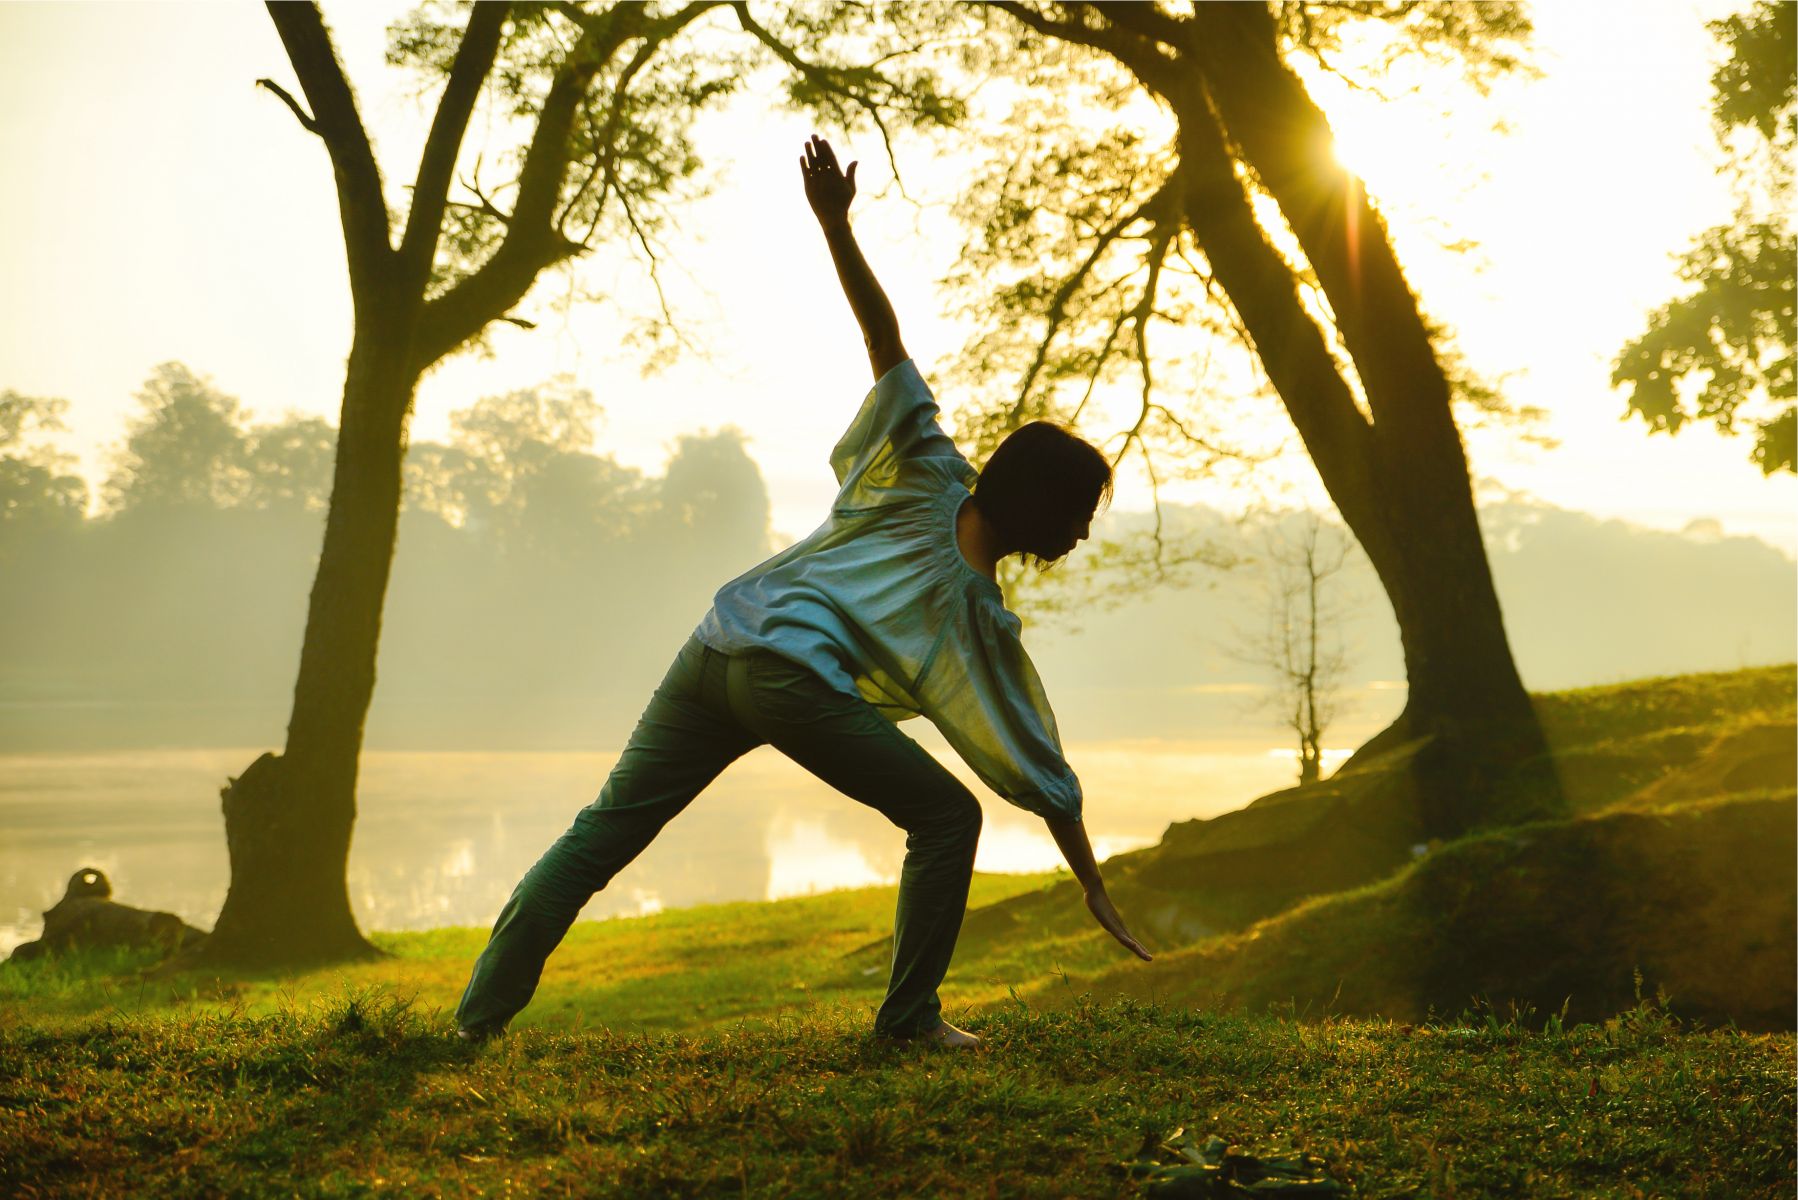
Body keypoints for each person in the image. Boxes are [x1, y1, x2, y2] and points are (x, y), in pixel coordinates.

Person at [456, 136, 1152, 1051]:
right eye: (1078, 514)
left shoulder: (924, 466)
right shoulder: (974, 611)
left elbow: (884, 344)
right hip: (789, 682)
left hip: (715, 644)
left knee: (601, 835)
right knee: (948, 816)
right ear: (1036, 505)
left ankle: (473, 1025)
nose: (1082, 534)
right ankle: (908, 1023)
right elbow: (1039, 762)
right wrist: (1093, 882)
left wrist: (835, 224)